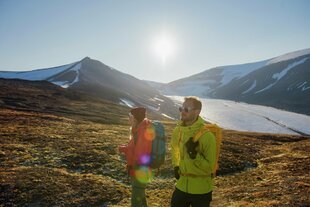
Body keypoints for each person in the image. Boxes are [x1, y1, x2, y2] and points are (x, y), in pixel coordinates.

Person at [170, 97, 216, 207]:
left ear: (197, 112)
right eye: (181, 108)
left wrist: (194, 155)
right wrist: (176, 166)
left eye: (186, 109)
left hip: (201, 191)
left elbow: (210, 168)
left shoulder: (207, 136)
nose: (182, 111)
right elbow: (174, 149)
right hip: (181, 186)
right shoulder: (178, 131)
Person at [119, 107, 154, 207]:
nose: (128, 118)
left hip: (140, 171)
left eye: (130, 116)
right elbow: (136, 149)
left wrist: (126, 150)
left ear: (135, 118)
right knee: (140, 194)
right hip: (139, 169)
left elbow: (140, 154)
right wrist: (124, 148)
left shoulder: (142, 131)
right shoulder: (139, 130)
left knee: (136, 199)